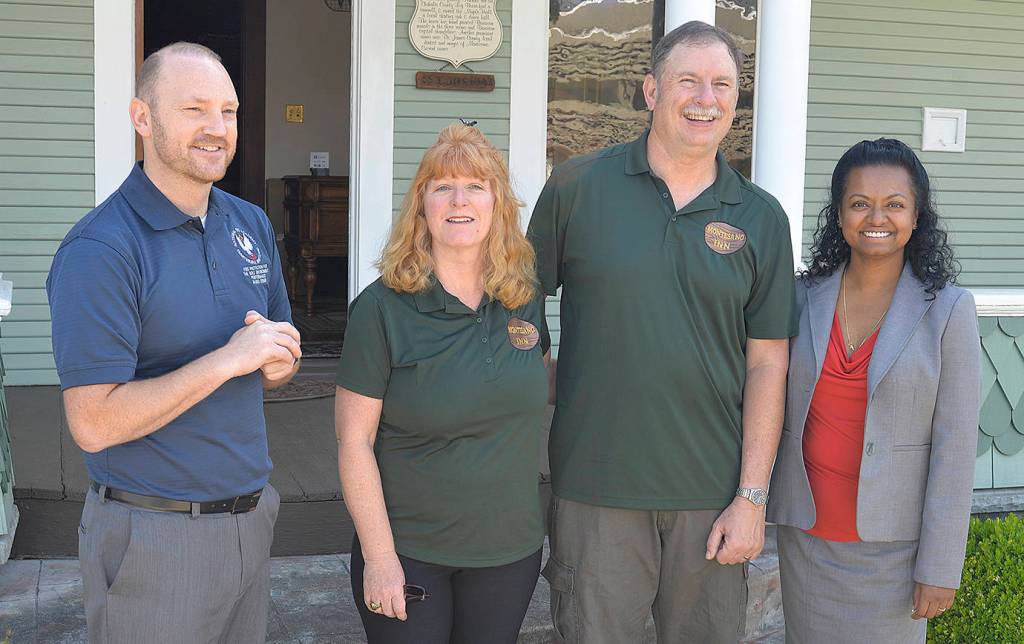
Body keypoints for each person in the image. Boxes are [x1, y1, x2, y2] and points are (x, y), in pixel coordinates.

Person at [527, 21, 797, 643]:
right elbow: (519, 297)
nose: (707, 98)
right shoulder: (578, 187)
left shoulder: (760, 217)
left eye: (723, 84)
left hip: (711, 493)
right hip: (595, 487)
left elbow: (768, 365)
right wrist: (539, 374)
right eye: (689, 81)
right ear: (651, 91)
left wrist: (752, 497)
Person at [46, 42, 300, 643]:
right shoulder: (101, 250)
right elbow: (93, 423)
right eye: (194, 109)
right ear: (142, 118)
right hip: (154, 533)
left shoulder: (250, 223)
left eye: (229, 111)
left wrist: (274, 361)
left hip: (251, 516)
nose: (217, 129)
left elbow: (278, 355)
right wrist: (229, 360)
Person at [334, 124, 550, 643]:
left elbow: (534, 390)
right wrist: (380, 558)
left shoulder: (525, 298)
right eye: (442, 186)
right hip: (411, 553)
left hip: (509, 552)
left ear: (497, 203)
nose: (460, 200)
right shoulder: (381, 309)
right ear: (421, 205)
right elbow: (353, 441)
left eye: (476, 186)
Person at [766, 138, 980, 643]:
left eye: (895, 204)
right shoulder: (800, 297)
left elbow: (956, 450)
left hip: (894, 554)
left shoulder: (948, 310)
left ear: (917, 216)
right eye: (859, 203)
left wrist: (941, 566)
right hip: (806, 538)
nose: (875, 217)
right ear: (839, 214)